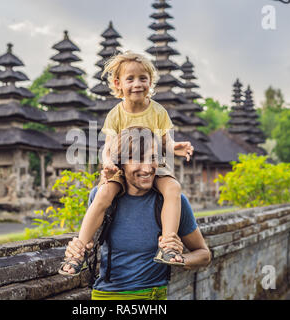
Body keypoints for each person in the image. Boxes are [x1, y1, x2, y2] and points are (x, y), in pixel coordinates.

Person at [59, 51, 195, 275]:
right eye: (130, 79)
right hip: (124, 166)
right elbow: (109, 148)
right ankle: (78, 251)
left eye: (143, 78)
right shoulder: (115, 114)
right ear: (117, 84)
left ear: (150, 82)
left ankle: (168, 245)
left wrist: (175, 147)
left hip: (155, 165)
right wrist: (108, 165)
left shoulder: (158, 111)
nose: (137, 84)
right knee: (103, 194)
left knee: (173, 188)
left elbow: (165, 141)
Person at [62, 127, 211, 300]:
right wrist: (77, 249)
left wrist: (180, 259)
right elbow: (89, 244)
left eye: (153, 158)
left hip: (151, 297)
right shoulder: (102, 196)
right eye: (138, 160)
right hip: (105, 295)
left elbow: (204, 255)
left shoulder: (171, 201)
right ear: (121, 163)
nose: (147, 168)